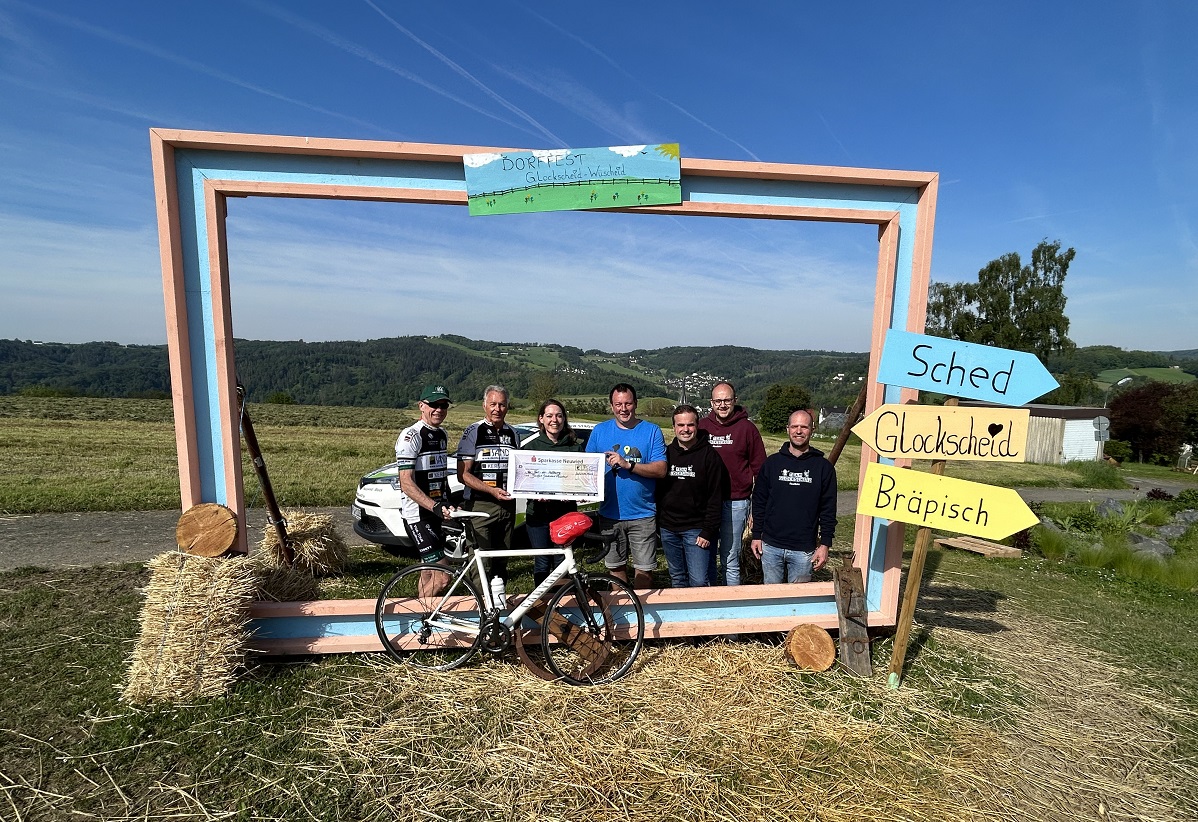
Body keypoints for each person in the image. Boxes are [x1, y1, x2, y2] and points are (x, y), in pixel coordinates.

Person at [585, 383, 667, 589]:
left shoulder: (651, 431)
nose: (623, 409)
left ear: (636, 404)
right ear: (612, 406)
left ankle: (642, 613)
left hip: (642, 513)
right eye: (618, 404)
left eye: (628, 403)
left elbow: (660, 470)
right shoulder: (599, 431)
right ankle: (625, 613)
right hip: (609, 514)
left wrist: (628, 465)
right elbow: (586, 468)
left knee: (644, 570)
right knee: (615, 568)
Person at [751, 409, 836, 584]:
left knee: (798, 602)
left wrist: (825, 544)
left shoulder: (823, 468)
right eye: (794, 426)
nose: (799, 431)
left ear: (812, 430)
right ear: (787, 429)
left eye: (804, 427)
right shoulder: (772, 464)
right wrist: (756, 535)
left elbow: (828, 508)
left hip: (803, 549)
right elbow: (759, 501)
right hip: (771, 545)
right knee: (771, 596)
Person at [698, 381, 766, 586]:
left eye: (727, 400)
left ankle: (730, 602)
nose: (723, 405)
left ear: (735, 401)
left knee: (730, 558)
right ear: (711, 403)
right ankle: (708, 601)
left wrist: (756, 509)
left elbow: (760, 471)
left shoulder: (747, 429)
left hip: (735, 502)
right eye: (718, 401)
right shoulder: (702, 427)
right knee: (705, 556)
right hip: (705, 503)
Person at [395, 384, 458, 597]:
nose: (439, 410)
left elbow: (439, 475)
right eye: (434, 404)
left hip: (434, 513)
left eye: (443, 405)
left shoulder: (442, 434)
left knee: (428, 572)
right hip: (418, 516)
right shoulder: (411, 436)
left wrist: (447, 501)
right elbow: (406, 482)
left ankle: (422, 616)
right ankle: (421, 617)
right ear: (422, 406)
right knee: (443, 577)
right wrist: (435, 506)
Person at [656, 405, 729, 588]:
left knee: (699, 580)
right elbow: (658, 490)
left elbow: (715, 496)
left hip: (696, 530)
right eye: (680, 425)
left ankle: (702, 615)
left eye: (690, 425)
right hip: (669, 528)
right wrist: (660, 522)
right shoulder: (665, 454)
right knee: (677, 578)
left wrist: (708, 531)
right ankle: (680, 616)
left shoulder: (710, 456)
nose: (685, 429)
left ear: (697, 426)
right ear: (674, 427)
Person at [456, 384, 521, 579]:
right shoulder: (473, 431)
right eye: (493, 404)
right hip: (480, 504)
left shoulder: (513, 433)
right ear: (484, 405)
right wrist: (491, 491)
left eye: (502, 405)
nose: (497, 409)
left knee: (502, 559)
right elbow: (463, 474)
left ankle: (498, 604)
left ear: (507, 407)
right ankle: (477, 604)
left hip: (508, 505)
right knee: (480, 562)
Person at [522, 399, 585, 586]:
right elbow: (523, 481)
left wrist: (579, 492)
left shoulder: (575, 448)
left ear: (564, 419)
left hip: (565, 515)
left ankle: (562, 603)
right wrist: (533, 493)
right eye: (549, 416)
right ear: (541, 419)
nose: (554, 420)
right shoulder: (531, 447)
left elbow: (582, 481)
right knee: (542, 561)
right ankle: (541, 607)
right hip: (537, 515)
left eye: (558, 415)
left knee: (562, 560)